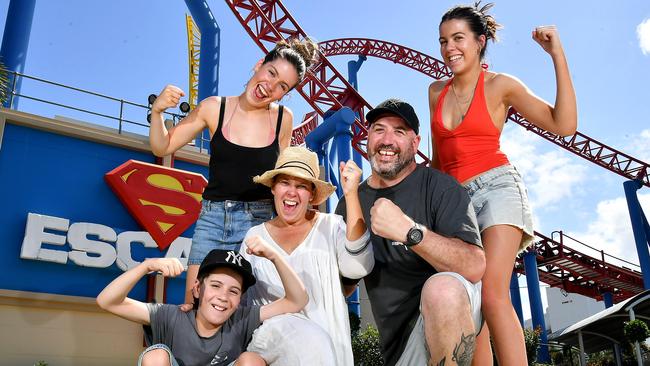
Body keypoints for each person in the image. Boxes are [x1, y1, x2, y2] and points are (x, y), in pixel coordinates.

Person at [428, 2, 577, 365]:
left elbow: (564, 125)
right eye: (444, 40)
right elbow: (438, 160)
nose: (450, 48)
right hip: (453, 203)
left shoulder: (500, 85)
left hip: (497, 189)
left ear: (480, 42)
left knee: (493, 295)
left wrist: (556, 54)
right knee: (470, 300)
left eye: (458, 38)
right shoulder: (435, 92)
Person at [147, 38, 319, 304]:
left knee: (251, 311)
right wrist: (157, 111)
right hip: (213, 218)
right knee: (195, 305)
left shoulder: (283, 118)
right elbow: (162, 145)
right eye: (271, 73)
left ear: (285, 94)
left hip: (259, 222)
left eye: (282, 85)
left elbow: (282, 177)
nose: (270, 86)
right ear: (258, 65)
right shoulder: (214, 107)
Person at [336, 98, 486, 366]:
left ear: (415, 143)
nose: (387, 140)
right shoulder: (351, 202)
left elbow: (475, 265)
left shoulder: (440, 186)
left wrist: (410, 232)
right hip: (400, 348)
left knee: (442, 290)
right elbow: (344, 287)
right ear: (367, 137)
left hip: (450, 313)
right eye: (379, 129)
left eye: (399, 131)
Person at [239, 146, 373, 366]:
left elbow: (359, 265)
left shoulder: (331, 227)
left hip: (329, 355)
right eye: (285, 183)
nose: (292, 192)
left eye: (301, 186)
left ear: (311, 194)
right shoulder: (253, 237)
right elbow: (239, 305)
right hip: (269, 354)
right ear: (273, 188)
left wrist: (351, 195)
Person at [96, 240, 308, 366]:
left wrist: (274, 256)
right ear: (197, 289)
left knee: (251, 360)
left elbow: (296, 300)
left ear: (240, 299)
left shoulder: (242, 319)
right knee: (156, 356)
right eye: (215, 285)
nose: (223, 296)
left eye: (233, 291)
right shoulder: (172, 316)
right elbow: (107, 301)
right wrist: (147, 266)